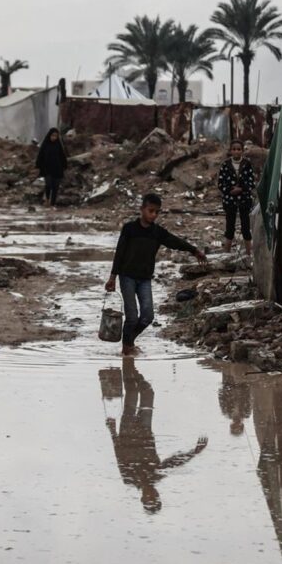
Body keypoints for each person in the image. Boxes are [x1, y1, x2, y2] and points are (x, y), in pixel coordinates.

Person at [105, 193, 207, 356]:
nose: (153, 215)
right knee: (132, 317)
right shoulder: (129, 229)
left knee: (147, 316)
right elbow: (120, 253)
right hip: (127, 277)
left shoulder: (157, 232)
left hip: (145, 279)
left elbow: (175, 242)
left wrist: (194, 250)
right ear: (142, 209)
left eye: (156, 212)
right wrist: (112, 277)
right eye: (150, 211)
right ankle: (127, 349)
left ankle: (129, 342)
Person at [105, 355, 207, 514]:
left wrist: (112, 430)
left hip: (127, 432)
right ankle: (132, 368)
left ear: (143, 498)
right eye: (154, 496)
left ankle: (128, 363)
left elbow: (119, 455)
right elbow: (174, 462)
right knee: (148, 392)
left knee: (132, 392)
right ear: (158, 494)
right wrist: (194, 452)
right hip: (145, 431)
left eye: (149, 497)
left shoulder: (129, 478)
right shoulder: (156, 475)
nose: (152, 493)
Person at [216, 139, 256, 255]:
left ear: (242, 151)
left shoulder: (247, 164)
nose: (236, 152)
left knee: (245, 226)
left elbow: (251, 182)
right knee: (230, 226)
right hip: (230, 200)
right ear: (230, 151)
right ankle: (226, 253)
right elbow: (221, 183)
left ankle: (249, 253)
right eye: (234, 149)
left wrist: (242, 189)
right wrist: (229, 191)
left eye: (239, 149)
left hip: (244, 199)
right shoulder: (225, 165)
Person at [35, 127, 68, 206]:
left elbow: (62, 156)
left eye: (55, 136)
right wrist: (38, 165)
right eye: (52, 135)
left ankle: (52, 203)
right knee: (48, 184)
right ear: (49, 135)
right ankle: (47, 199)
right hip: (47, 169)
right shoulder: (45, 145)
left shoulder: (58, 145)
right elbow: (40, 155)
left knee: (55, 187)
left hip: (57, 169)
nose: (54, 137)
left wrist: (64, 165)